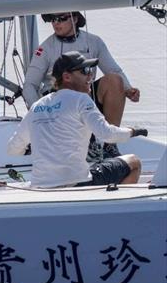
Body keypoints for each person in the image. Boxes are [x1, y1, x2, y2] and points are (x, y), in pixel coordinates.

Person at [9, 51, 145, 188]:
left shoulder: (37, 106)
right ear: (67, 77)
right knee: (134, 162)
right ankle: (112, 206)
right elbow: (107, 134)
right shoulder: (81, 99)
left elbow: (12, 149)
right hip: (76, 183)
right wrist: (132, 131)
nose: (90, 75)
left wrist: (30, 150)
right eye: (84, 71)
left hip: (41, 186)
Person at [22, 11, 140, 160]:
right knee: (73, 83)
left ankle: (108, 144)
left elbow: (113, 69)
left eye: (61, 18)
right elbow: (29, 85)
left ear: (75, 18)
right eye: (52, 19)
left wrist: (128, 89)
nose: (55, 23)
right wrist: (39, 110)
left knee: (115, 80)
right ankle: (87, 144)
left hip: (87, 95)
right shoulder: (45, 48)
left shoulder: (94, 41)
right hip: (58, 102)